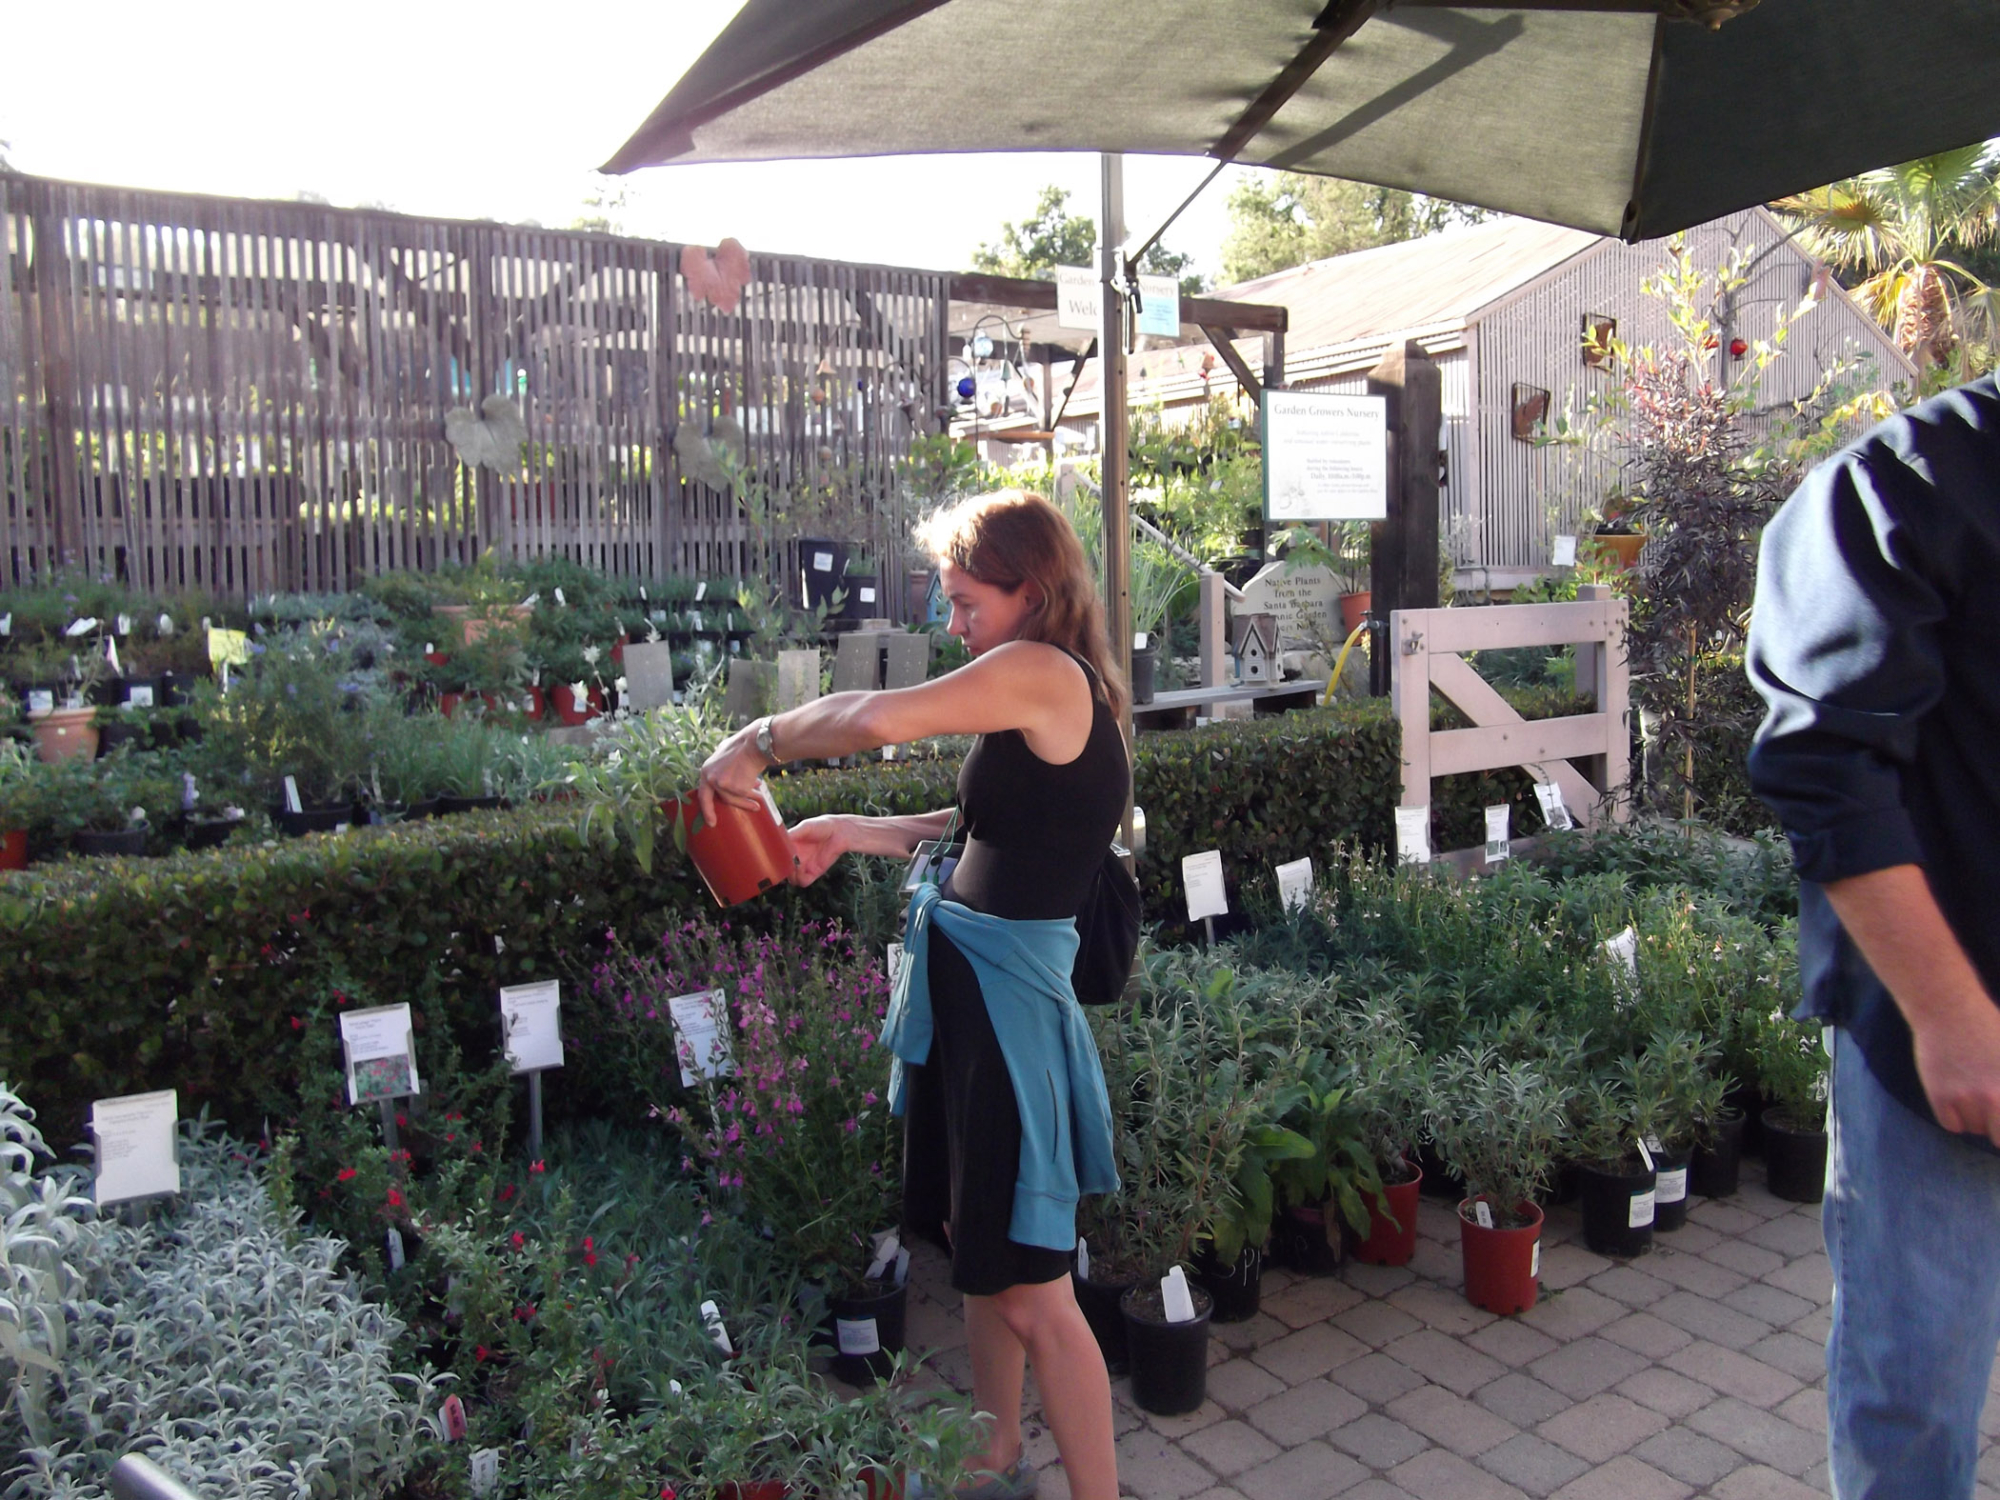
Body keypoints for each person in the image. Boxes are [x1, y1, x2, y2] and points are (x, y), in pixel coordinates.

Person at [696, 489, 1127, 1500]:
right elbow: (985, 832)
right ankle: (995, 1450)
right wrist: (852, 829)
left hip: (1009, 1019)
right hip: (973, 1007)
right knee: (981, 1250)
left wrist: (756, 741)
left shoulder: (1041, 673)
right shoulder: (1039, 689)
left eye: (967, 602)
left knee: (1035, 1291)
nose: (952, 622)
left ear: (1032, 592)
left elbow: (874, 716)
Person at [1746, 373, 2000, 1500]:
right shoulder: (1909, 481)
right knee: (1916, 1400)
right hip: (1952, 1055)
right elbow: (1819, 756)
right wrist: (1950, 1019)